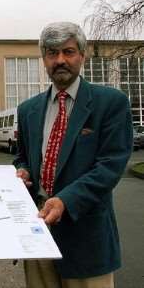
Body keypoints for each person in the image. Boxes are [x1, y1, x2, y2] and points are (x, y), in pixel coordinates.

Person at [14, 22, 133, 288]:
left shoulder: (111, 103)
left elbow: (109, 167)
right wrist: (23, 172)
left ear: (82, 54)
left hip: (87, 240)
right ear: (44, 58)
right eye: (52, 53)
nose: (60, 60)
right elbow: (22, 156)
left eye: (68, 52)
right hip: (39, 235)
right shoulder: (28, 110)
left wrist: (65, 201)